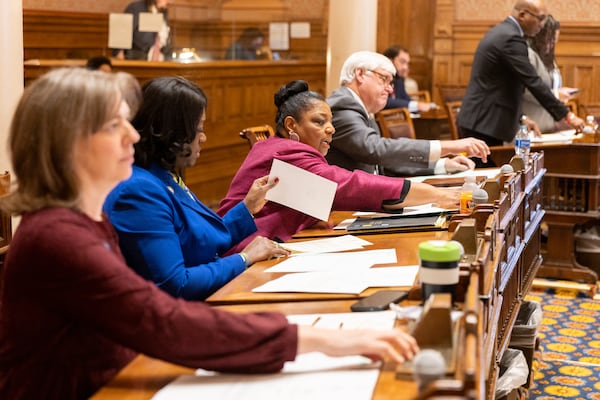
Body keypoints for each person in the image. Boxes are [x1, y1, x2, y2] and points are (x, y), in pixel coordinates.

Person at [0, 67, 419, 399]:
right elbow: (161, 318)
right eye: (114, 125)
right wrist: (322, 341)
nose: (132, 134)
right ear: (70, 144)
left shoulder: (79, 220)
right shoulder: (58, 236)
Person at [218, 80, 461, 252]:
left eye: (330, 121)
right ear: (291, 125)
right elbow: (350, 185)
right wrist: (438, 195)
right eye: (319, 121)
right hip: (238, 250)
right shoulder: (285, 152)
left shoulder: (283, 147)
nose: (331, 129)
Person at [103, 76, 289, 300]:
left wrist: (248, 207)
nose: (203, 137)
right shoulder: (139, 191)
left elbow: (200, 240)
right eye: (198, 129)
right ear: (171, 133)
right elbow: (176, 284)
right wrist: (244, 258)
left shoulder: (164, 175)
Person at [325, 50, 490, 177]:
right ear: (360, 74)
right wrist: (449, 146)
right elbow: (375, 149)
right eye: (384, 79)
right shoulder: (342, 106)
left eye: (391, 82)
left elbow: (385, 161)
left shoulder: (359, 108)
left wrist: (442, 165)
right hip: (346, 210)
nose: (390, 89)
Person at [458, 0, 584, 155]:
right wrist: (568, 116)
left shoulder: (503, 32)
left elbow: (502, 86)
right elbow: (532, 82)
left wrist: (521, 118)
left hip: (481, 120)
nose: (542, 24)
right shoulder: (511, 38)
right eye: (540, 18)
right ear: (523, 15)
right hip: (484, 122)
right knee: (488, 175)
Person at [522, 15, 575, 133]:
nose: (551, 46)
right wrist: (556, 94)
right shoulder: (527, 54)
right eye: (549, 40)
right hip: (531, 125)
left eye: (554, 41)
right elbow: (527, 90)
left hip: (549, 124)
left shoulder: (547, 57)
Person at [381, 45, 432, 113]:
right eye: (402, 62)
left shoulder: (399, 78)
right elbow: (385, 101)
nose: (406, 67)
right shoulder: (380, 77)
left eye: (407, 63)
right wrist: (415, 105)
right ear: (390, 60)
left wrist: (419, 105)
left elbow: (404, 97)